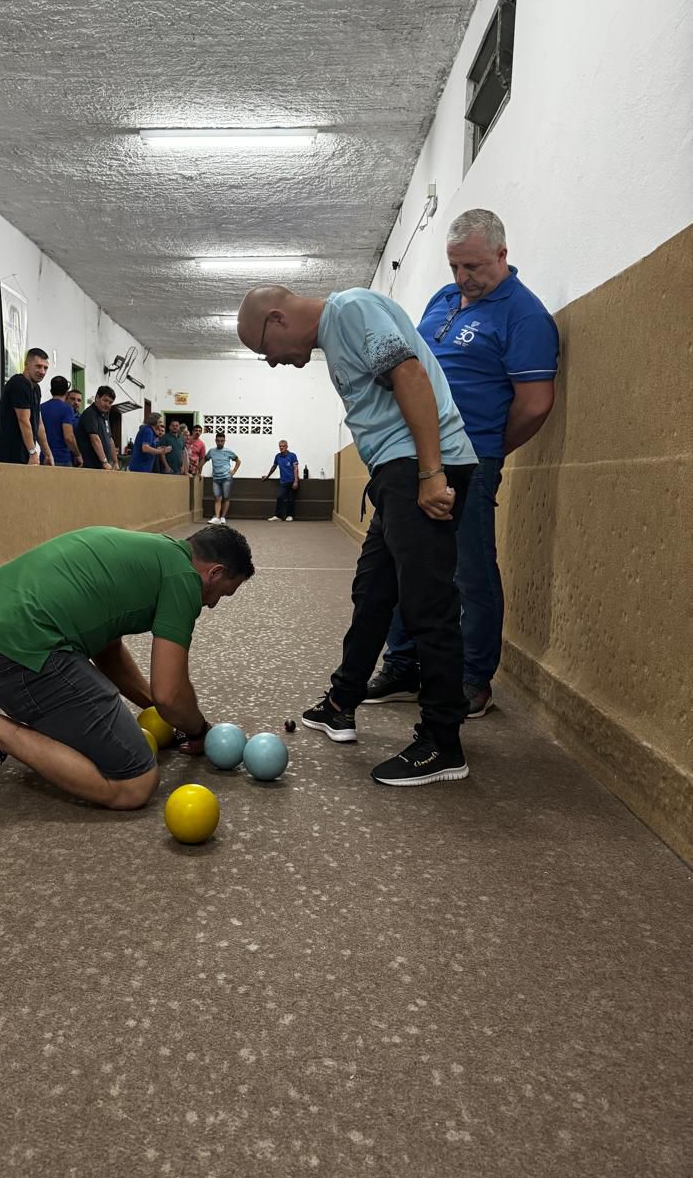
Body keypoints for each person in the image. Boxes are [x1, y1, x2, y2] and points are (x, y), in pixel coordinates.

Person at [238, 283, 477, 787]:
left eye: (266, 352)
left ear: (277, 319)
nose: (274, 363)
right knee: (373, 593)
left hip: (418, 467)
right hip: (396, 471)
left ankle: (442, 743)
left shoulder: (351, 310)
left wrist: (432, 473)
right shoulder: (338, 330)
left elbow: (409, 374)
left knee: (427, 605)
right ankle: (342, 703)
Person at [367, 209, 559, 718]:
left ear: (502, 254)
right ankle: (403, 664)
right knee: (410, 562)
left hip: (470, 457)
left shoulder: (525, 315)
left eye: (472, 266)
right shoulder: (445, 299)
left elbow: (535, 403)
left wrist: (486, 452)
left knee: (470, 570)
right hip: (415, 453)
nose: (462, 278)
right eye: (455, 266)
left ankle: (474, 678)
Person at [0, 523, 255, 809]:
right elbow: (170, 694)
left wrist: (168, 719)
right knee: (136, 782)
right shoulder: (184, 579)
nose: (212, 604)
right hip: (15, 649)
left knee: (102, 736)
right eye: (222, 594)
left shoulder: (153, 552)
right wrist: (199, 729)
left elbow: (110, 655)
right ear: (214, 573)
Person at [0, 348, 54, 466]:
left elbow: (39, 423)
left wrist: (47, 453)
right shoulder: (19, 383)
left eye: (45, 368)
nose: (42, 371)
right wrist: (33, 453)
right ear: (27, 365)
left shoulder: (36, 389)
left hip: (23, 454)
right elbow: (23, 420)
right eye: (38, 366)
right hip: (6, 455)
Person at [40, 375, 82, 466]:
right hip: (62, 458)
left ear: (51, 391)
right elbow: (69, 437)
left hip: (44, 456)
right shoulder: (67, 409)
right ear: (67, 392)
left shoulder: (41, 407)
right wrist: (78, 455)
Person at [76, 385, 119, 470]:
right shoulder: (90, 414)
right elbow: (94, 439)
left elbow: (110, 439)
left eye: (110, 402)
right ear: (97, 398)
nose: (107, 405)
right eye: (105, 400)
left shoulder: (105, 414)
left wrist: (115, 461)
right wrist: (104, 461)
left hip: (102, 466)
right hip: (91, 466)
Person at [202, 431, 241, 524]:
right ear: (215, 441)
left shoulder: (228, 451)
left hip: (226, 477)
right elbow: (204, 459)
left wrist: (234, 471)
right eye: (218, 441)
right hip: (216, 478)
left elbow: (238, 460)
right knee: (217, 497)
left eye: (222, 441)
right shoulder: (212, 451)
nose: (220, 442)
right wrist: (198, 469)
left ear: (224, 441)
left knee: (226, 497)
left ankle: (223, 517)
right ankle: (217, 517)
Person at [263, 438, 299, 520]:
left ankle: (290, 516)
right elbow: (274, 467)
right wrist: (267, 476)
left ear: (287, 447)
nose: (281, 448)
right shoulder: (277, 456)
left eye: (283, 446)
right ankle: (277, 516)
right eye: (280, 446)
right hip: (283, 481)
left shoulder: (292, 455)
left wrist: (296, 481)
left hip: (292, 481)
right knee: (280, 497)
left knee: (290, 499)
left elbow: (296, 468)